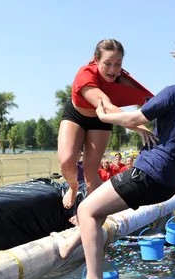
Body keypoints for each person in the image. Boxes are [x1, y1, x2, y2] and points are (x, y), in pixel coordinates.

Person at [58, 40, 175, 279]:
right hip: (169, 183)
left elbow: (135, 119)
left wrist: (106, 117)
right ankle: (72, 241)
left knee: (85, 210)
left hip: (148, 172)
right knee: (98, 207)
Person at [57, 39, 156, 209]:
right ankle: (73, 187)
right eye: (107, 63)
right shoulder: (85, 76)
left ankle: (92, 213)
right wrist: (138, 127)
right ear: (96, 61)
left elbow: (148, 101)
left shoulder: (121, 78)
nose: (113, 70)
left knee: (90, 171)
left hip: (100, 121)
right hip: (77, 115)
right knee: (66, 161)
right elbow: (108, 107)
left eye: (118, 64)